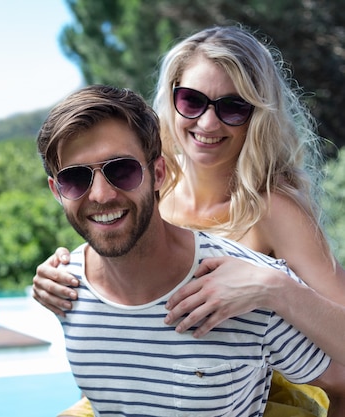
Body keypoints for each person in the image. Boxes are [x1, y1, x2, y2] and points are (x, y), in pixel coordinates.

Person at [32, 25, 345, 416]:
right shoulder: (138, 185)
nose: (208, 123)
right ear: (172, 99)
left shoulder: (273, 210)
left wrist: (272, 285)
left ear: (258, 114)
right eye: (192, 101)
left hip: (238, 392)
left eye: (233, 106)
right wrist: (56, 273)